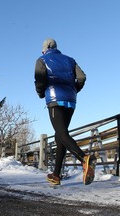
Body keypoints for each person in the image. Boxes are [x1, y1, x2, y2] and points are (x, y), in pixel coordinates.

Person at [34, 38, 96, 185]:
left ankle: (84, 158)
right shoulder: (70, 60)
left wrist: (41, 93)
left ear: (44, 49)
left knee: (61, 134)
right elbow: (82, 77)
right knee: (60, 135)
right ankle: (56, 175)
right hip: (70, 101)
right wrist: (74, 89)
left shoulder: (42, 60)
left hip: (55, 100)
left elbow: (40, 80)